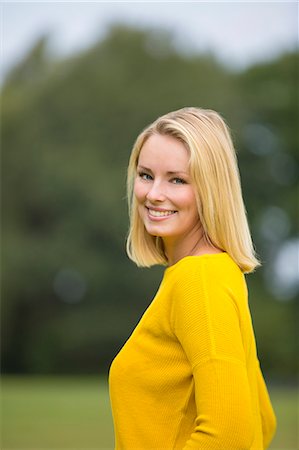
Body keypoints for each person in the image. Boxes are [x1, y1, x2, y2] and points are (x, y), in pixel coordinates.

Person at [109, 107, 277, 449]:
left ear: (211, 189)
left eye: (177, 179)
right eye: (145, 175)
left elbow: (230, 435)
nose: (154, 193)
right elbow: (264, 419)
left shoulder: (199, 279)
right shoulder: (217, 272)